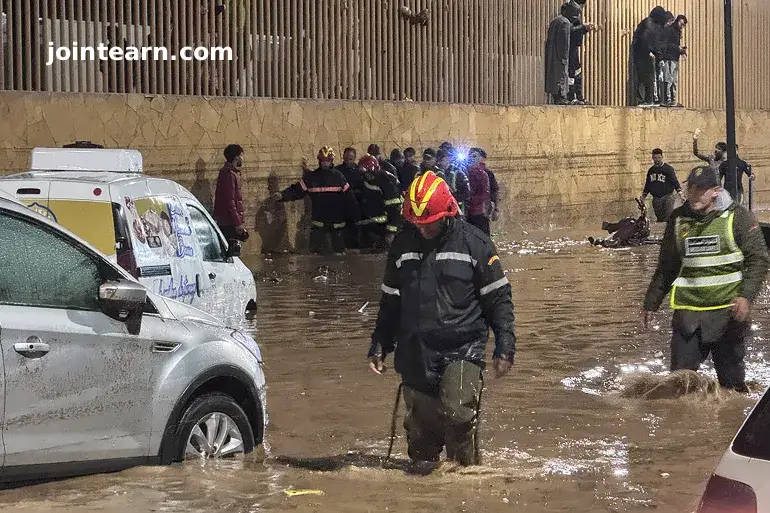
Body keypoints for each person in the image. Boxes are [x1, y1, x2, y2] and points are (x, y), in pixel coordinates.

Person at [367, 170, 516, 467]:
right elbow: (390, 301)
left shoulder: (474, 244)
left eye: (431, 223)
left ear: (448, 212)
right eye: (419, 223)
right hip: (415, 350)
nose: (425, 229)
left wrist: (504, 345)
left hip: (462, 349)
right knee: (421, 440)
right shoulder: (402, 245)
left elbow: (498, 299)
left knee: (458, 415)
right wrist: (380, 343)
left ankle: (464, 482)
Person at [643, 166, 769, 393]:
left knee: (732, 389)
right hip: (689, 316)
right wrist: (651, 302)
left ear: (715, 191)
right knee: (678, 387)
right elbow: (667, 266)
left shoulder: (738, 217)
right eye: (691, 188)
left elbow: (759, 259)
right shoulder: (677, 220)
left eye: (700, 189)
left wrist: (746, 297)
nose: (694, 194)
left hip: (727, 316)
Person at [273, 146, 358, 254]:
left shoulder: (339, 177)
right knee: (315, 257)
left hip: (337, 228)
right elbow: (297, 190)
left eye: (327, 161)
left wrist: (354, 221)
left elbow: (350, 199)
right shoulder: (312, 177)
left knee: (339, 258)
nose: (325, 164)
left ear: (331, 161)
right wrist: (282, 195)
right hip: (319, 227)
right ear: (319, 161)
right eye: (323, 161)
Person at [356, 154, 404, 252]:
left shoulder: (386, 181)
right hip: (374, 227)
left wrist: (391, 232)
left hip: (388, 226)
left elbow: (394, 208)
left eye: (368, 174)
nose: (366, 177)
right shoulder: (367, 180)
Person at [632, 7, 668, 106]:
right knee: (645, 78)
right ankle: (644, 100)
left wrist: (659, 56)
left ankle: (650, 99)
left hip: (650, 56)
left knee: (651, 79)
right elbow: (644, 39)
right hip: (644, 55)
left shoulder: (656, 25)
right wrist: (649, 51)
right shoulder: (649, 23)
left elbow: (658, 42)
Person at [213, 144, 248, 242]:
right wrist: (237, 222)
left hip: (229, 220)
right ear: (236, 157)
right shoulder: (228, 174)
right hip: (228, 222)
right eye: (241, 155)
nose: (242, 158)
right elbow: (230, 200)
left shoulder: (231, 173)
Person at [640, 148, 685, 222]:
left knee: (668, 217)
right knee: (660, 218)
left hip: (668, 196)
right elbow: (647, 184)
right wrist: (643, 196)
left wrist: (680, 194)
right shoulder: (651, 170)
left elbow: (675, 182)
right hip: (656, 198)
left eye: (658, 158)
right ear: (652, 158)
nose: (657, 160)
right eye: (655, 158)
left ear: (662, 157)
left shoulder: (668, 169)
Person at [563, 0, 594, 104]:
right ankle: (572, 96)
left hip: (575, 47)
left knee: (577, 72)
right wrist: (583, 27)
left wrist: (585, 29)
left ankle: (579, 95)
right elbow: (570, 30)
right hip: (570, 48)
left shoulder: (575, 12)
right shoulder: (571, 11)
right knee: (572, 73)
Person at [336, 147, 365, 249]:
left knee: (355, 230)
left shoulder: (359, 171)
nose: (349, 160)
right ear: (343, 156)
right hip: (341, 206)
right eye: (347, 158)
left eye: (351, 158)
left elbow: (364, 188)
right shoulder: (337, 171)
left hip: (356, 206)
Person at [658, 14, 687, 107]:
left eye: (683, 25)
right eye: (681, 24)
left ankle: (673, 100)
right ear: (677, 21)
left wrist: (682, 52)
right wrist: (678, 49)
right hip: (668, 58)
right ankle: (667, 100)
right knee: (668, 80)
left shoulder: (678, 32)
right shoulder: (669, 30)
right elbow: (665, 45)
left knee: (674, 80)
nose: (681, 27)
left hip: (675, 58)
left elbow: (675, 45)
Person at [545, 5, 572, 105]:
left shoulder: (555, 20)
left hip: (551, 53)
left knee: (553, 75)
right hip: (559, 56)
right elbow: (564, 42)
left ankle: (556, 96)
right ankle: (560, 96)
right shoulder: (565, 22)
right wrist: (564, 57)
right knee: (560, 74)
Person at [437, 148, 471, 216]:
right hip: (441, 210)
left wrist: (454, 197)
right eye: (438, 161)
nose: (439, 163)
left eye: (442, 160)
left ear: (448, 159)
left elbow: (467, 192)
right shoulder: (436, 173)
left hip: (457, 209)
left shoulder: (458, 173)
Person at [466, 148, 492, 235]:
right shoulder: (462, 172)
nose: (471, 158)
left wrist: (471, 199)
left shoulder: (483, 174)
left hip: (478, 212)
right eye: (470, 156)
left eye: (474, 156)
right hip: (466, 213)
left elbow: (485, 194)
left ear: (479, 158)